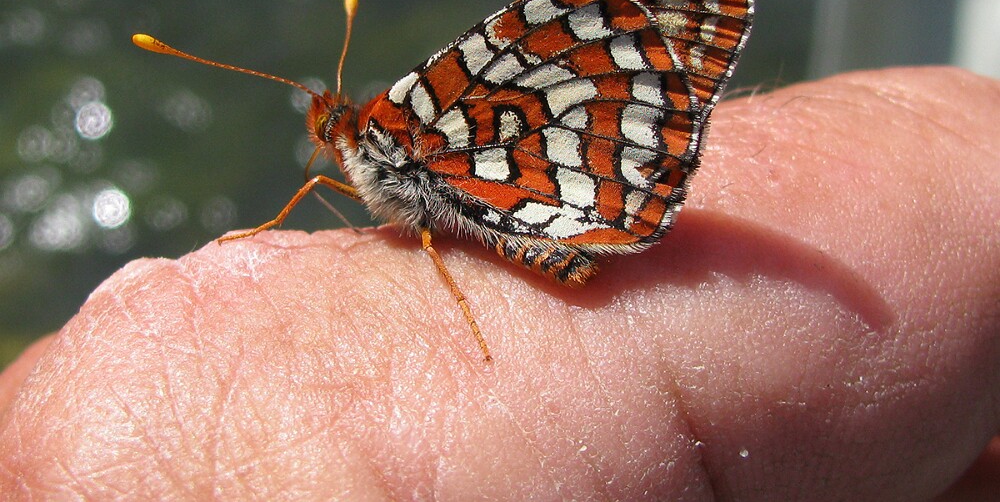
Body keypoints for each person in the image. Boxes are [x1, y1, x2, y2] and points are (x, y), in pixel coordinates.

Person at [1, 66, 997, 500]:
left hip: (549, 210)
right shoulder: (372, 154)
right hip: (535, 211)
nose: (330, 151)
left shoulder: (400, 133)